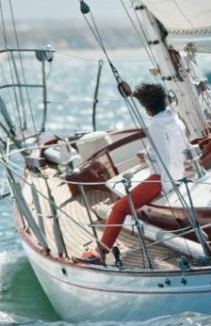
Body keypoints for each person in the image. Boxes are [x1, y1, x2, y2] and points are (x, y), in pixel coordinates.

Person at [79, 83, 191, 264]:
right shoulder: (175, 119)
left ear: (146, 108)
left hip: (162, 179)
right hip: (178, 174)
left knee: (119, 208)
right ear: (164, 100)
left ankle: (100, 254)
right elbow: (179, 148)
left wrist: (164, 184)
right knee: (125, 204)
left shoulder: (156, 125)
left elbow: (164, 157)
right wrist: (148, 155)